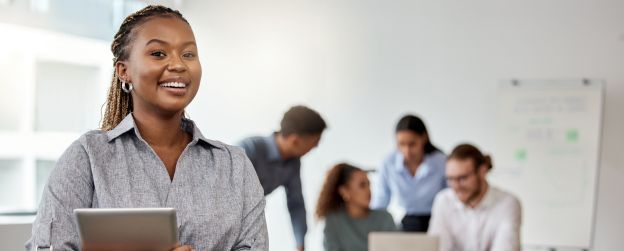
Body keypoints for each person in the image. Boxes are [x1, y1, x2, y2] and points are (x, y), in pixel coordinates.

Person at [25, 5, 267, 251]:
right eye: (159, 53)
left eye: (188, 54)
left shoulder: (235, 166)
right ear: (124, 71)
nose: (178, 65)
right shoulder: (87, 157)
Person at [239, 105, 326, 251]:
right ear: (295, 141)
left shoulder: (293, 163)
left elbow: (296, 204)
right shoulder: (249, 149)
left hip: (251, 226)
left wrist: (300, 243)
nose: (315, 147)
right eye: (314, 143)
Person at [428, 144, 522, 251]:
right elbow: (438, 248)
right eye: (450, 179)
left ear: (482, 171)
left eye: (462, 178)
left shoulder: (507, 203)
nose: (456, 186)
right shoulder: (443, 201)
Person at [370, 114, 447, 232]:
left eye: (412, 144)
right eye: (401, 144)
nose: (407, 151)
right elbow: (381, 200)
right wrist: (372, 226)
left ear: (424, 138)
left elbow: (451, 197)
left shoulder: (441, 161)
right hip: (407, 222)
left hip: (438, 221)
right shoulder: (388, 162)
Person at [316, 163, 396, 251]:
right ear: (344, 191)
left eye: (369, 184)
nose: (368, 190)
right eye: (362, 185)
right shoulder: (333, 221)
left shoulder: (385, 218)